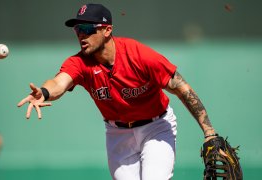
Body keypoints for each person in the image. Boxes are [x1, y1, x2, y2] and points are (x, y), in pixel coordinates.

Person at [17, 3, 218, 180]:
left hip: (156, 128)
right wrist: (43, 92)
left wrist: (208, 131)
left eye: (87, 28)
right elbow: (59, 82)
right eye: (78, 29)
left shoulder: (140, 55)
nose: (81, 35)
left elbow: (182, 88)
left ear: (107, 30)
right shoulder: (79, 63)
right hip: (117, 133)